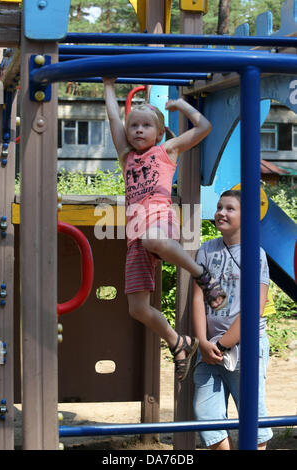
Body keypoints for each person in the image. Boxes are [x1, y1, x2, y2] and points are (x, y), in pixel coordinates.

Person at [103, 77, 227, 381]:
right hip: (137, 236)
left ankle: (202, 276)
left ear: (159, 133)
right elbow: (114, 119)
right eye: (134, 126)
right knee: (138, 308)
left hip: (158, 220)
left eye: (146, 126)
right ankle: (178, 342)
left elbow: (204, 128)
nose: (138, 131)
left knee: (153, 238)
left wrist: (180, 104)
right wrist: (108, 86)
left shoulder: (166, 151)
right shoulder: (126, 157)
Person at [192, 189, 273, 449]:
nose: (220, 212)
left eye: (229, 208)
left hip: (243, 347)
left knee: (252, 416)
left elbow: (253, 308)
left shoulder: (255, 254)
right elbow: (197, 298)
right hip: (208, 348)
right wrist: (203, 342)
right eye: (218, 207)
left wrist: (223, 344)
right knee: (206, 415)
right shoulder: (206, 250)